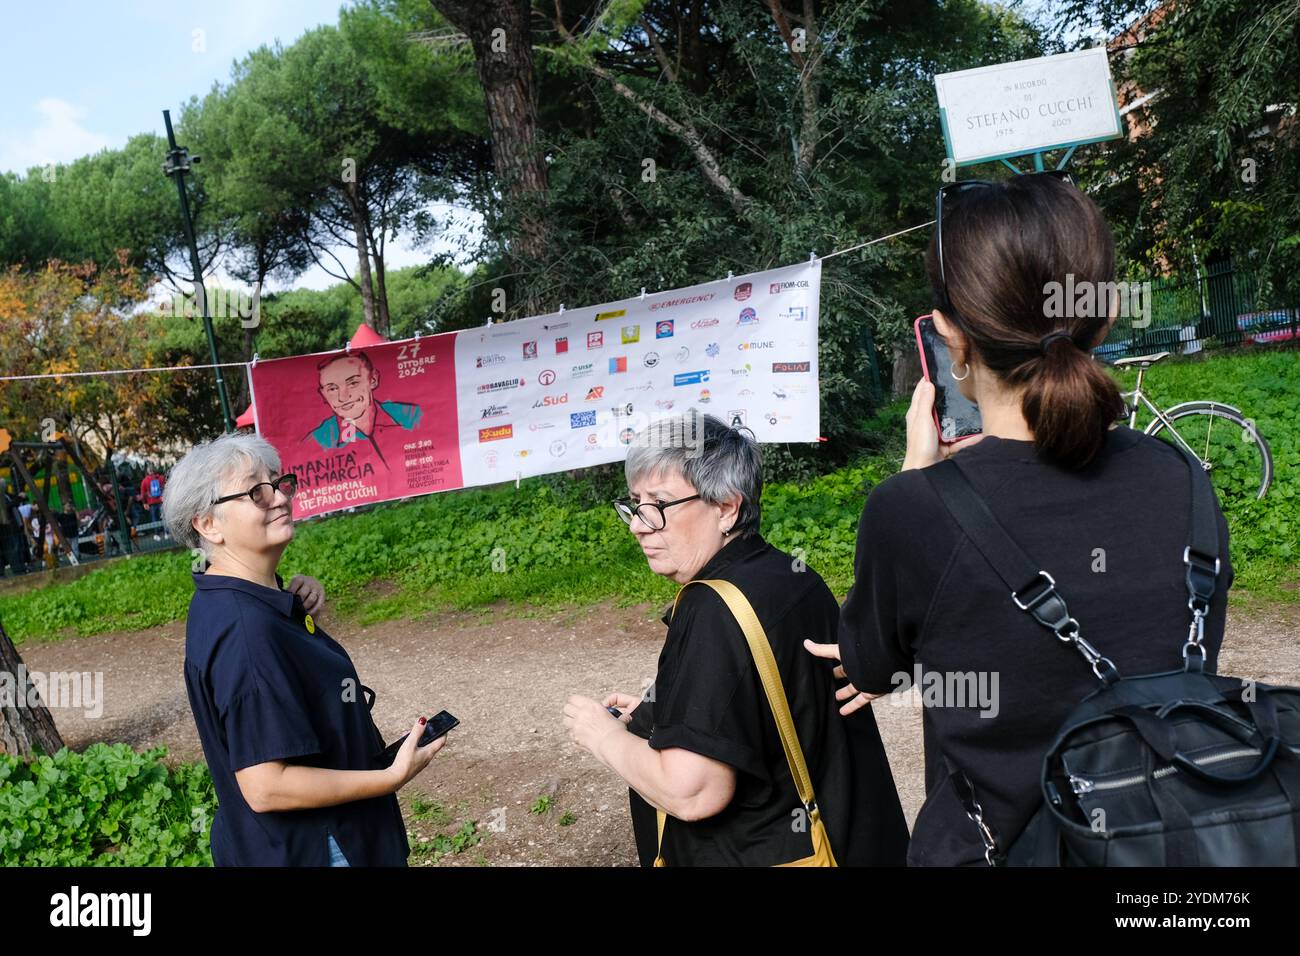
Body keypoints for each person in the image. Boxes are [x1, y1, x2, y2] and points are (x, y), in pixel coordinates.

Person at [808, 172, 1233, 866]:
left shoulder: (913, 511)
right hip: (1171, 849)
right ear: (1100, 315)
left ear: (950, 338)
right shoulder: (1182, 479)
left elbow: (876, 668)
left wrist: (923, 476)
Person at [564, 412, 909, 866]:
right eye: (634, 503)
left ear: (726, 507)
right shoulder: (792, 575)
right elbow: (771, 702)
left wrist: (602, 735)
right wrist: (671, 713)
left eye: (658, 505)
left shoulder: (712, 608)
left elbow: (693, 791)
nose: (638, 525)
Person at [164, 431, 445, 866]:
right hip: (318, 848)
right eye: (256, 492)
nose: (277, 497)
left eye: (278, 483)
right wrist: (389, 777)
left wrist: (292, 601)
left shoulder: (240, 596)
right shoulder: (246, 631)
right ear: (208, 524)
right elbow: (266, 786)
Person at [306, 353, 422, 466]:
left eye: (353, 383)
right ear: (323, 395)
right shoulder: (316, 441)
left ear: (373, 379)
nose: (343, 397)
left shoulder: (413, 416)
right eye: (332, 389)